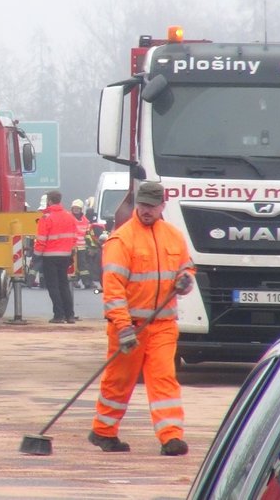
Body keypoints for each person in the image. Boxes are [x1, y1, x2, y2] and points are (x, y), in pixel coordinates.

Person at [89, 181, 195, 456]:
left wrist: (186, 280)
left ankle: (171, 437)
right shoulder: (121, 240)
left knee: (164, 378)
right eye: (142, 205)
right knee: (119, 381)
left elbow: (187, 268)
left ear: (162, 206)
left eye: (151, 206)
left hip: (162, 326)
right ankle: (104, 432)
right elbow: (113, 289)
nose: (146, 210)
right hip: (130, 327)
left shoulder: (174, 236)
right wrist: (123, 327)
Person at [32, 190, 78, 324]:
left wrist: (36, 256)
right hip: (65, 255)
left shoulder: (46, 218)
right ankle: (70, 315)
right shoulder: (69, 216)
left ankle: (58, 315)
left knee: (53, 286)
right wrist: (71, 252)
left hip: (49, 256)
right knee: (64, 284)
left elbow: (41, 240)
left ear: (49, 201)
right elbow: (74, 237)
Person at [69, 199, 95, 289]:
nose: (76, 210)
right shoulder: (69, 218)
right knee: (73, 265)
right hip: (71, 247)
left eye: (78, 208)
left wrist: (92, 246)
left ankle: (84, 282)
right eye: (74, 208)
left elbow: (88, 234)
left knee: (82, 265)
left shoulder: (85, 221)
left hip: (82, 247)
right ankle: (79, 282)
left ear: (81, 209)